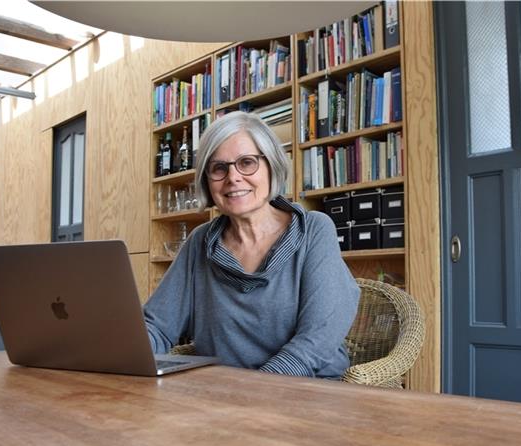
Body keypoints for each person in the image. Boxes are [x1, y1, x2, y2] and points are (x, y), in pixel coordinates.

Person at [143, 111, 360, 379]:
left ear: (271, 166)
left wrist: (258, 387)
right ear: (207, 182)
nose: (233, 177)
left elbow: (318, 338)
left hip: (308, 391)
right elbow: (157, 326)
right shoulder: (200, 242)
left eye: (247, 162)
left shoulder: (314, 229)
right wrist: (117, 350)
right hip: (225, 395)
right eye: (219, 168)